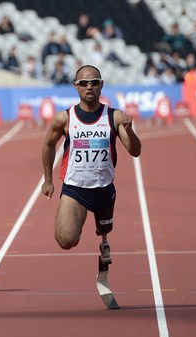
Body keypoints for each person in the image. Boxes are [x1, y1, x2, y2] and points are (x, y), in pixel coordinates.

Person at [41, 64, 142, 270]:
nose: (89, 87)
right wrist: (48, 180)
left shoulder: (114, 117)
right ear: (76, 86)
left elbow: (136, 151)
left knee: (105, 228)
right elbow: (48, 144)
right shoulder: (64, 118)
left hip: (103, 188)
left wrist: (130, 131)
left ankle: (104, 242)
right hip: (75, 189)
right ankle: (84, 221)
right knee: (66, 240)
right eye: (84, 83)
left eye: (94, 83)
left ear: (101, 86)